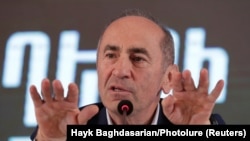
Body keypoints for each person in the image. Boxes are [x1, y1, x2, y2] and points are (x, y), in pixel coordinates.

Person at [29, 8, 225, 140]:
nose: (120, 71)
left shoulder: (193, 125)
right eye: (110, 55)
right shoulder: (68, 129)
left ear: (168, 78)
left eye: (138, 59)